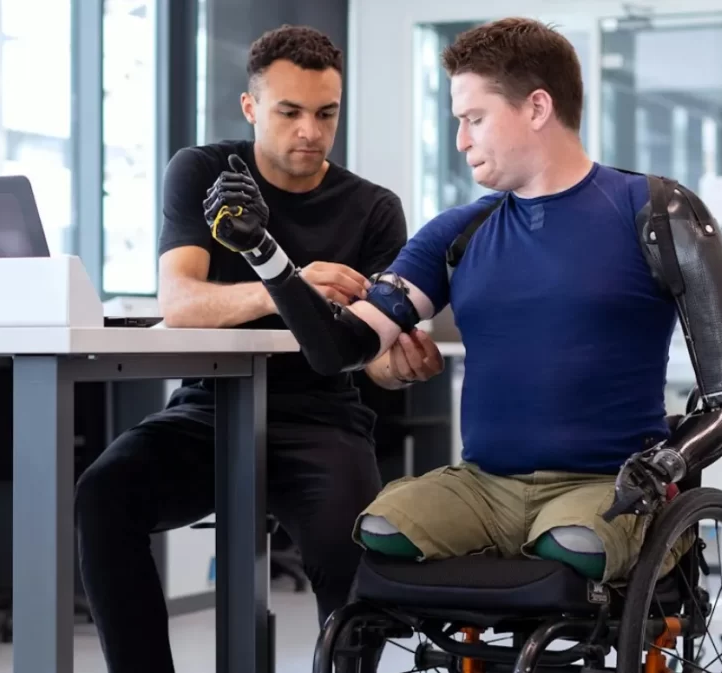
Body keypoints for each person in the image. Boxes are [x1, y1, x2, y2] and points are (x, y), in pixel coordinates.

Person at [206, 17, 722, 586]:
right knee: (378, 531)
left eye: (474, 119)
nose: (461, 140)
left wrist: (667, 464)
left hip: (602, 485)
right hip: (482, 487)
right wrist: (264, 254)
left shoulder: (659, 215)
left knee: (571, 548)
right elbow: (340, 347)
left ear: (537, 108)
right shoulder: (455, 235)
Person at [74, 24, 445, 673]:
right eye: (290, 111)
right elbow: (181, 303)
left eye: (326, 113)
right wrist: (286, 286)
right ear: (250, 108)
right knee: (104, 495)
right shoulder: (205, 173)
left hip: (322, 417)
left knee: (358, 557)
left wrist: (398, 366)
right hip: (209, 408)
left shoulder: (373, 209)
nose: (311, 130)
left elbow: (379, 361)